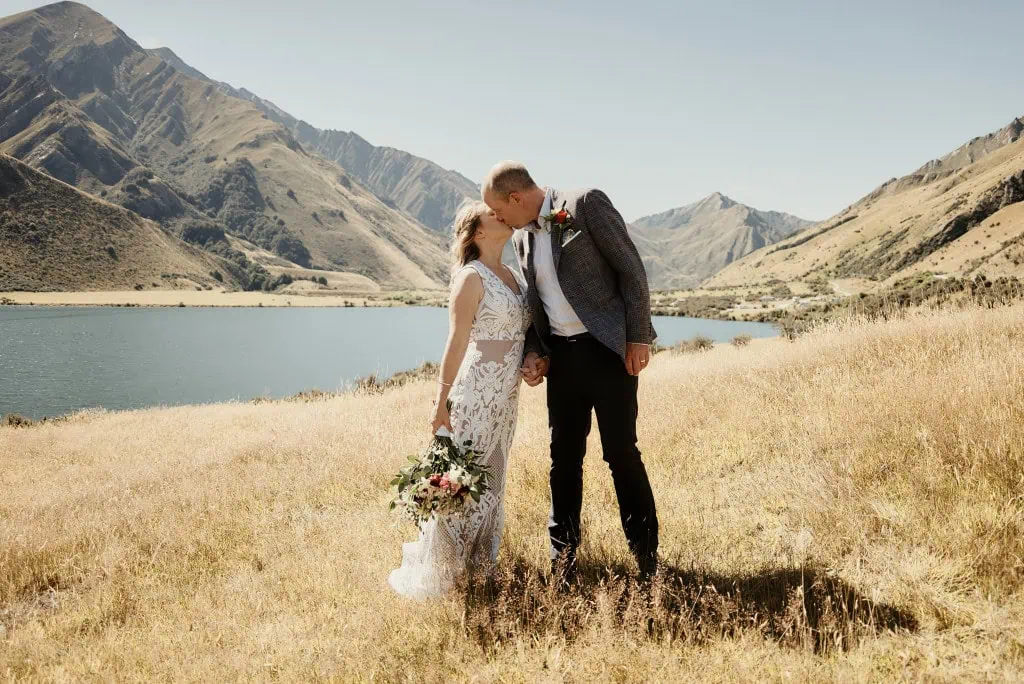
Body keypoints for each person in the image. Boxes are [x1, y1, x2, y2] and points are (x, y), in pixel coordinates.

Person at [482, 161, 659, 581]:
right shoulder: (523, 239)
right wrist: (535, 351)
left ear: (516, 198)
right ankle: (562, 562)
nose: (499, 220)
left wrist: (638, 337)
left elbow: (631, 270)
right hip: (561, 361)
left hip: (607, 352)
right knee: (563, 459)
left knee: (621, 454)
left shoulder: (585, 204)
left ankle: (647, 558)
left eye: (500, 210)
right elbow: (535, 308)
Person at [388, 202, 529, 599]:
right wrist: (440, 402)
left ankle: (481, 567)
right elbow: (456, 342)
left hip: (506, 398)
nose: (502, 213)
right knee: (461, 485)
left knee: (493, 484)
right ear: (477, 232)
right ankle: (443, 575)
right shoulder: (470, 277)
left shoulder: (515, 277)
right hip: (475, 395)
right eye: (492, 212)